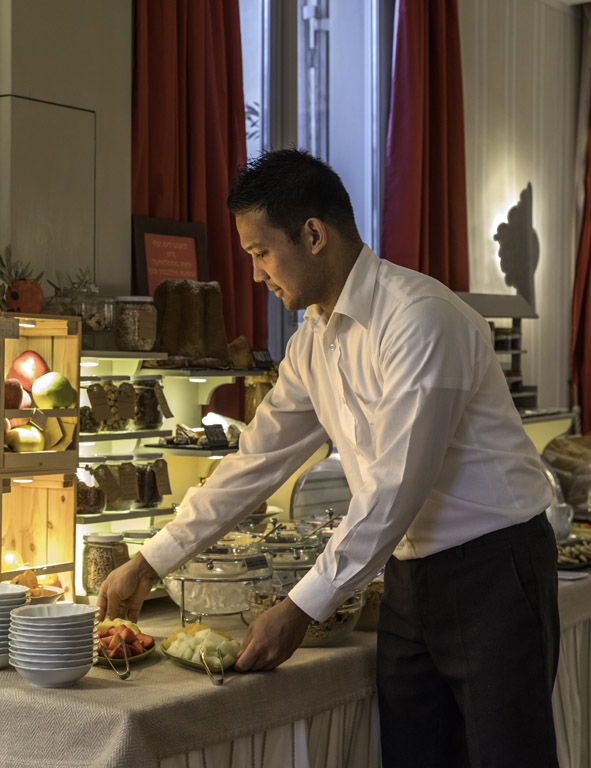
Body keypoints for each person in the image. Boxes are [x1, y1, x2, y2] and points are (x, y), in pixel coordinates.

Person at [97, 148, 559, 767]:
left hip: (494, 571)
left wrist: (299, 607)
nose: (256, 275)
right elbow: (254, 462)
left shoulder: (420, 318)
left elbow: (394, 489)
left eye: (261, 253)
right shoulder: (312, 341)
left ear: (313, 235)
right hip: (406, 577)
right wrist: (149, 562)